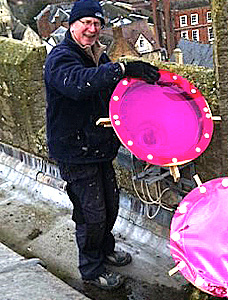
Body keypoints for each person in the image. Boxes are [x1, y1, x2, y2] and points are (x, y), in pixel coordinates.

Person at [44, 0, 160, 290]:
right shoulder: (61, 57)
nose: (92, 29)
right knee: (90, 213)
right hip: (75, 150)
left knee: (109, 206)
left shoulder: (98, 57)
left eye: (97, 24)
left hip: (98, 147)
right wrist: (122, 67)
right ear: (72, 25)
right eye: (86, 23)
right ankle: (91, 269)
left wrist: (134, 77)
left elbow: (113, 89)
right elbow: (77, 84)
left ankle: (105, 249)